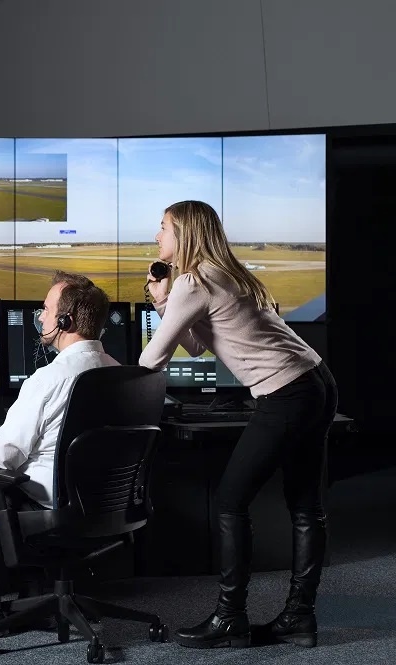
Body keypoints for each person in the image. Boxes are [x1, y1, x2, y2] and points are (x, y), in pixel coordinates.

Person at [140, 200, 338, 649]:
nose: (157, 236)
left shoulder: (193, 281)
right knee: (306, 506)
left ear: (185, 233)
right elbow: (196, 345)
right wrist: (163, 299)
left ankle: (230, 618)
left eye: (163, 227)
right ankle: (299, 618)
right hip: (316, 381)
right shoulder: (221, 273)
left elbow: (153, 358)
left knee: (230, 502)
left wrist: (111, 387)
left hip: (286, 391)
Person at [0, 272, 119, 637]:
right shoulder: (119, 373)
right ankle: (37, 599)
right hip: (105, 504)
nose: (40, 317)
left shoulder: (48, 379)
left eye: (45, 309)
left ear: (65, 321)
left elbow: (4, 456)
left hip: (47, 502)